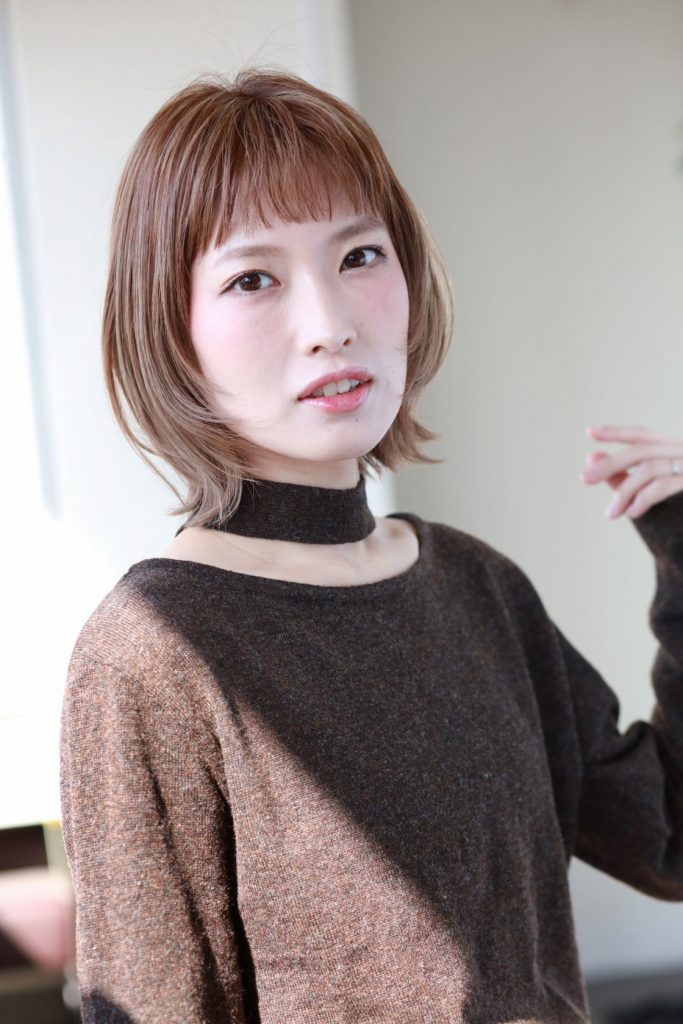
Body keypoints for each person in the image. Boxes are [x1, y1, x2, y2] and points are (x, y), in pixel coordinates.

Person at [58, 66, 683, 1024]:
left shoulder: (475, 587)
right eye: (252, 278)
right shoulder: (152, 653)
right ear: (171, 330)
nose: (330, 325)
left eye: (358, 256)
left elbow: (666, 836)